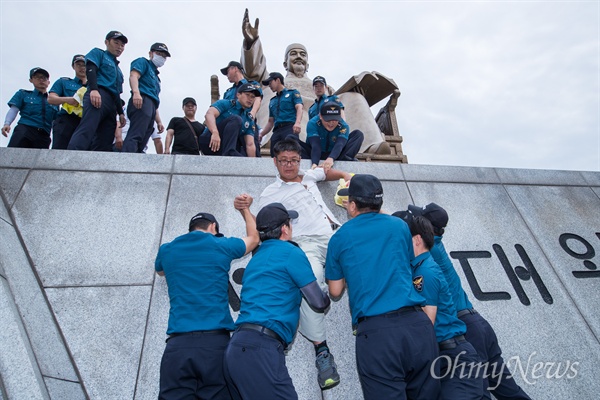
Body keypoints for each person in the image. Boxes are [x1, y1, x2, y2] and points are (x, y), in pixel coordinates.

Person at [235, 138, 348, 390]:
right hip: (306, 244)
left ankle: (363, 320)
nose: (289, 165)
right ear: (274, 162)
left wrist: (347, 175)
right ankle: (322, 350)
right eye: (284, 160)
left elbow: (328, 172)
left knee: (368, 261)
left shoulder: (309, 176)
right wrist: (245, 211)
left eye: (294, 160)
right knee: (311, 282)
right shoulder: (270, 194)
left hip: (336, 235)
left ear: (300, 161)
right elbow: (262, 227)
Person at [325, 174, 440, 400]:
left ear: (353, 205)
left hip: (378, 334)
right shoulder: (400, 227)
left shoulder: (340, 238)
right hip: (418, 327)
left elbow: (335, 291)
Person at [407, 203, 532, 400]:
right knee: (508, 390)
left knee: (479, 394)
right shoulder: (436, 246)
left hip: (466, 330)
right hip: (478, 324)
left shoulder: (429, 252)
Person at [239, 9, 390, 154]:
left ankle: (370, 144)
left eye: (302, 55)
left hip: (324, 117)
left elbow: (337, 105)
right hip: (295, 117)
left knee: (353, 97)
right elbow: (254, 72)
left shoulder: (322, 87)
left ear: (307, 64)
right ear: (285, 64)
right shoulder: (277, 82)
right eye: (293, 54)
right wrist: (251, 43)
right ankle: (279, 141)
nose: (299, 57)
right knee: (275, 97)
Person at [224, 202, 331, 399]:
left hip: (236, 348)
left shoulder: (256, 259)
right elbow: (318, 302)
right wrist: (328, 287)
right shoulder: (291, 252)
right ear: (285, 228)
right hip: (261, 348)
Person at [155, 202, 259, 400]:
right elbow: (254, 238)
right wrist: (244, 209)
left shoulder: (167, 250)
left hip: (178, 346)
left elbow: (160, 270)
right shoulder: (220, 245)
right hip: (215, 344)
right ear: (213, 227)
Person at [405, 214, 484, 399]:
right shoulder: (420, 268)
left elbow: (427, 322)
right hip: (446, 357)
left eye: (404, 238)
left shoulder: (424, 271)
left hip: (454, 360)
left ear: (416, 240)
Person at [67, 30, 127, 151]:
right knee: (88, 127)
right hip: (98, 94)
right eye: (116, 43)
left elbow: (117, 92)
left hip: (112, 103)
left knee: (106, 136)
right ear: (106, 42)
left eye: (122, 45)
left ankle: (97, 166)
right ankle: (72, 157)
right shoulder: (98, 53)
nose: (119, 47)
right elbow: (91, 70)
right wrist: (94, 89)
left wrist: (120, 112)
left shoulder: (118, 70)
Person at [122, 42, 170, 153]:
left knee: (145, 136)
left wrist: (158, 121)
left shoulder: (157, 78)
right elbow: (134, 76)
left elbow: (155, 100)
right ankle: (127, 159)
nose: (161, 57)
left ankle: (136, 159)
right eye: (159, 53)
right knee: (137, 133)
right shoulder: (143, 62)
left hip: (152, 106)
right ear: (150, 53)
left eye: (164, 56)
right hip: (142, 100)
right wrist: (136, 93)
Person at [2, 67, 58, 148]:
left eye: (44, 78)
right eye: (37, 77)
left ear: (48, 82)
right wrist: (7, 124)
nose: (41, 80)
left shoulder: (54, 101)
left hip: (44, 135)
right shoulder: (23, 94)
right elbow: (14, 109)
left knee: (39, 160)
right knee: (14, 156)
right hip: (25, 130)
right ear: (31, 80)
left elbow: (55, 121)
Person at [199, 82, 260, 157]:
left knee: (244, 156)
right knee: (236, 119)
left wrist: (252, 164)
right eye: (247, 95)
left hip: (223, 147)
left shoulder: (248, 119)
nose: (250, 99)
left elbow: (250, 144)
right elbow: (209, 114)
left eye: (252, 97)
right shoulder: (226, 104)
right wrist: (215, 133)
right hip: (210, 141)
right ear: (238, 95)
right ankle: (229, 152)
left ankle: (230, 153)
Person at [305, 100, 364, 169]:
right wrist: (314, 163)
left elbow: (340, 144)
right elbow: (315, 145)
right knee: (291, 138)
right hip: (313, 152)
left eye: (335, 120)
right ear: (320, 116)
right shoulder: (312, 123)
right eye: (328, 120)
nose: (331, 123)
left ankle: (345, 159)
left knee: (358, 135)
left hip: (336, 153)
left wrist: (331, 158)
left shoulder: (343, 125)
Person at [258, 72, 303, 157]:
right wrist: (261, 134)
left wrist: (297, 123)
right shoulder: (272, 101)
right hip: (277, 130)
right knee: (274, 154)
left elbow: (299, 108)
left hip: (290, 128)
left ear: (278, 80)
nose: (269, 86)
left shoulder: (292, 93)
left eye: (270, 83)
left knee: (290, 151)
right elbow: (270, 122)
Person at [48, 55, 87, 149]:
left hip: (85, 122)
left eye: (84, 65)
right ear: (73, 66)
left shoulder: (95, 87)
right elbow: (51, 99)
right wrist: (68, 100)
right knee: (59, 151)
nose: (82, 68)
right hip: (66, 120)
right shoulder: (63, 82)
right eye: (79, 65)